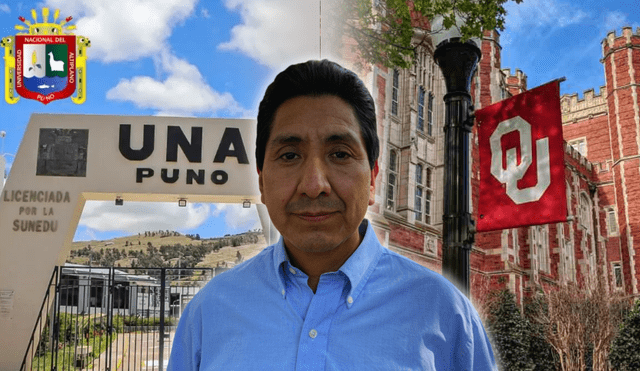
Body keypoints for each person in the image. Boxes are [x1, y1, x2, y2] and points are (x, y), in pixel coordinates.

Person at [168, 60, 498, 370]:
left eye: (339, 154)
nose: (314, 185)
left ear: (372, 179)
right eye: (289, 155)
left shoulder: (445, 314)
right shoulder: (209, 313)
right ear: (261, 181)